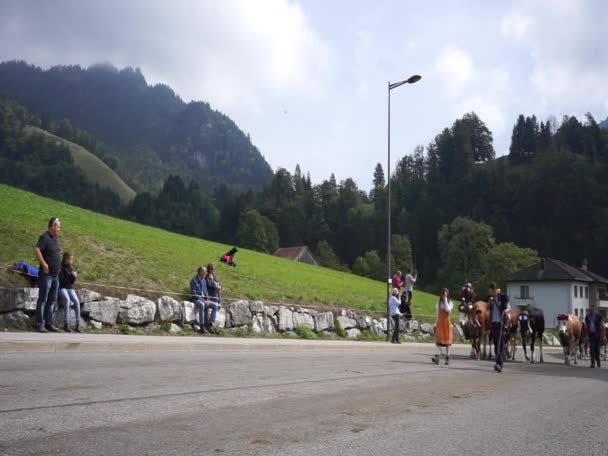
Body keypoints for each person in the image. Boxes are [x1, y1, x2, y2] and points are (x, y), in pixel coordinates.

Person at [33, 217, 62, 332]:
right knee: (43, 299)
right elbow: (36, 250)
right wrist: (44, 264)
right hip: (47, 275)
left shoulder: (55, 238)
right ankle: (40, 324)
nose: (60, 229)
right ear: (53, 226)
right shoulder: (44, 237)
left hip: (55, 276)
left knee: (51, 300)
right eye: (59, 226)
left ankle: (49, 323)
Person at [488, 283, 510, 373]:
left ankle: (500, 365)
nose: (489, 293)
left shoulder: (503, 297)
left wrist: (505, 310)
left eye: (490, 291)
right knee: (496, 344)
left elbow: (509, 307)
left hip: (500, 323)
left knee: (500, 344)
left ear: (494, 290)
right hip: (493, 323)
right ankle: (497, 363)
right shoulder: (491, 299)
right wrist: (489, 303)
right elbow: (487, 308)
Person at [58, 252, 82, 332]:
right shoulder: (61, 268)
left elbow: (71, 282)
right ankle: (66, 324)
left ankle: (78, 324)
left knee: (77, 301)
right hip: (62, 288)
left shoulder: (70, 268)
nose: (72, 261)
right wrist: (70, 276)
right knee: (67, 300)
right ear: (66, 259)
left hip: (69, 288)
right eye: (71, 259)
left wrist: (74, 277)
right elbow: (62, 281)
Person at [432, 288, 453, 365]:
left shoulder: (450, 303)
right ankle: (437, 357)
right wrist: (435, 323)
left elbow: (448, 310)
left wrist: (445, 300)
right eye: (443, 294)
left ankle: (447, 357)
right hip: (440, 323)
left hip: (447, 323)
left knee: (448, 342)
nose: (444, 295)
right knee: (438, 341)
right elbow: (437, 314)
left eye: (446, 294)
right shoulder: (438, 303)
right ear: (441, 295)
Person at [204, 263, 221, 331]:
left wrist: (219, 287)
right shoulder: (207, 277)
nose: (215, 270)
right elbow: (209, 285)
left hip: (215, 296)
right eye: (214, 269)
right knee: (212, 308)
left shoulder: (214, 277)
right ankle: (209, 324)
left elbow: (219, 284)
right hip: (210, 297)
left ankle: (211, 324)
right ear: (210, 270)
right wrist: (216, 287)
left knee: (216, 307)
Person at [585, 303, 603, 368]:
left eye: (592, 309)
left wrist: (602, 334)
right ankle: (593, 363)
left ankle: (598, 361)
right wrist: (586, 335)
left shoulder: (598, 316)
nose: (590, 310)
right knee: (591, 349)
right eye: (590, 310)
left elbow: (601, 325)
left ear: (594, 309)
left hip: (597, 335)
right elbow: (586, 327)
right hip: (591, 335)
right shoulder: (587, 317)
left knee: (597, 349)